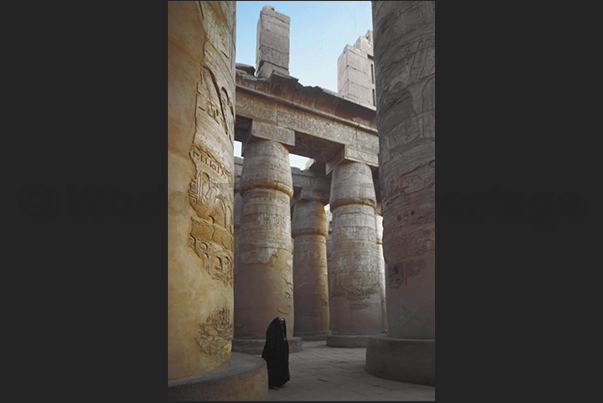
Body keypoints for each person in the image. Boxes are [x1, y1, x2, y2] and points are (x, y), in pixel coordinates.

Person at [261, 316, 290, 389]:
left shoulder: (282, 330)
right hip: (273, 353)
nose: (282, 323)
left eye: (283, 322)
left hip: (281, 353)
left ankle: (280, 381)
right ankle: (272, 383)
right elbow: (272, 343)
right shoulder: (273, 332)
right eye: (280, 322)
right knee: (273, 367)